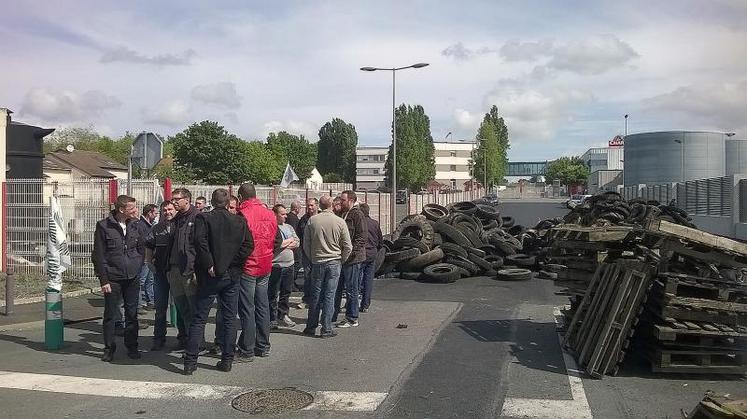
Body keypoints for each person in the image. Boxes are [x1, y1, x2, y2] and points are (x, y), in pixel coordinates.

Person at [184, 188, 253, 375]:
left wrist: (210, 265)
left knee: (199, 318)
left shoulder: (204, 218)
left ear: (212, 202)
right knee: (230, 318)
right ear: (227, 202)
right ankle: (227, 359)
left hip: (211, 274)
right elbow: (248, 245)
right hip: (230, 274)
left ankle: (190, 361)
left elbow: (199, 242)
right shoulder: (239, 221)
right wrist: (231, 263)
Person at [92, 195, 145, 362]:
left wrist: (138, 264)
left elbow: (142, 247)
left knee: (132, 313)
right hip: (113, 277)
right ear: (121, 210)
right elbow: (99, 255)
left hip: (132, 276)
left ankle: (132, 346)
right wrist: (104, 280)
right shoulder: (103, 226)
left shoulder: (136, 225)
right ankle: (109, 348)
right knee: (110, 314)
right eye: (132, 208)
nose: (135, 210)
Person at [236, 183, 280, 361]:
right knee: (263, 306)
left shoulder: (242, 214)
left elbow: (239, 243)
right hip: (265, 263)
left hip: (248, 265)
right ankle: (263, 345)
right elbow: (277, 240)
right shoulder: (269, 213)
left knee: (247, 308)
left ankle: (247, 349)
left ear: (240, 197)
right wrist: (269, 254)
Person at [303, 195, 352, 338]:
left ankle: (311, 327)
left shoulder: (312, 221)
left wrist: (312, 257)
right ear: (331, 205)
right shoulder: (340, 222)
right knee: (330, 295)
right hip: (334, 261)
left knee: (315, 295)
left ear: (320, 206)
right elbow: (347, 246)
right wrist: (342, 260)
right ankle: (326, 328)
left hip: (317, 261)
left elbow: (306, 243)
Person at [167, 188, 200, 349]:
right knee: (182, 307)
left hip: (189, 270)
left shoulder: (198, 217)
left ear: (186, 199)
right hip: (174, 269)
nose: (173, 202)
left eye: (176, 199)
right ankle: (187, 340)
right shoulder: (176, 218)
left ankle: (196, 344)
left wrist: (196, 270)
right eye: (172, 199)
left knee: (194, 309)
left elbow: (201, 246)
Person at [145, 201, 177, 351]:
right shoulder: (156, 229)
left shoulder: (180, 227)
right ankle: (158, 338)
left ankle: (184, 337)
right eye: (164, 210)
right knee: (160, 308)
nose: (167, 212)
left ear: (175, 210)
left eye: (170, 209)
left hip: (177, 273)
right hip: (160, 273)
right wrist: (148, 262)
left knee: (181, 307)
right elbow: (149, 246)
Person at [333, 190, 368, 328]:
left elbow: (361, 237)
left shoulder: (357, 215)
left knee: (351, 289)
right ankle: (333, 315)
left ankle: (352, 318)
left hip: (353, 259)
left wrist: (350, 253)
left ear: (351, 200)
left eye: (343, 200)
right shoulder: (343, 213)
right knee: (338, 288)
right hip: (342, 257)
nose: (341, 202)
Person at [268, 204, 299, 329]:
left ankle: (284, 314)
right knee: (273, 293)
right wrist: (287, 242)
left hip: (289, 264)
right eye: (282, 214)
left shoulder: (289, 227)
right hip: (276, 265)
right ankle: (272, 318)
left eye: (286, 213)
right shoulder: (272, 227)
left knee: (286, 292)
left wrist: (285, 243)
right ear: (275, 214)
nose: (285, 216)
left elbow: (297, 242)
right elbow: (276, 244)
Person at [358, 203, 382, 313]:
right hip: (372, 254)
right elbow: (380, 241)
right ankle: (365, 304)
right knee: (368, 280)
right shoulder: (375, 224)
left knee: (356, 279)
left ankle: (352, 303)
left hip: (360, 254)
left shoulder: (358, 223)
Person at [295, 198, 318, 308]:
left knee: (318, 277)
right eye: (308, 206)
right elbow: (299, 235)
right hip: (306, 253)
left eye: (312, 205)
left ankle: (317, 300)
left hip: (319, 253)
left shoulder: (321, 218)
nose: (310, 208)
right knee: (307, 277)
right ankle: (307, 299)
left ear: (317, 206)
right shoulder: (303, 219)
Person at [136, 204, 158, 310]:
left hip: (150, 256)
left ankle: (150, 300)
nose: (157, 215)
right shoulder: (141, 225)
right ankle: (140, 303)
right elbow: (143, 241)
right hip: (144, 256)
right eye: (155, 213)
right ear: (149, 213)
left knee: (150, 280)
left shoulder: (151, 224)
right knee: (141, 280)